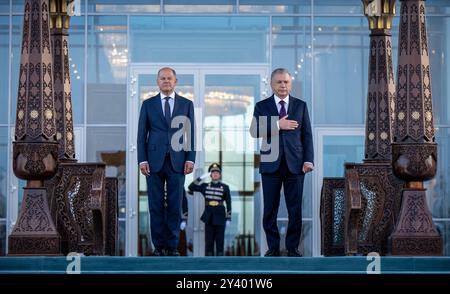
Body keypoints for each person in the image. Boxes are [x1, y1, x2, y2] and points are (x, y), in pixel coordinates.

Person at [250, 68, 314, 257]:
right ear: (271, 84)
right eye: (279, 82)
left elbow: (307, 135)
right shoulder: (262, 106)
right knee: (270, 208)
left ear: (290, 84)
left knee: (295, 208)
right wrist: (279, 125)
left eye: (286, 82)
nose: (283, 85)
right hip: (271, 165)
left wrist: (308, 160)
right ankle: (273, 247)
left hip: (296, 165)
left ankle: (293, 247)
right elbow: (254, 131)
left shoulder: (300, 106)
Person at [137, 67, 195, 256]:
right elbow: (141, 135)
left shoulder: (186, 104)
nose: (166, 81)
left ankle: (172, 246)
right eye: (162, 78)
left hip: (178, 162)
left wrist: (191, 158)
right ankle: (158, 246)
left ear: (175, 81)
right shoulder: (148, 104)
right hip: (153, 162)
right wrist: (142, 160)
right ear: (157, 82)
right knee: (155, 205)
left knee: (174, 206)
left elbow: (190, 133)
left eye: (169, 78)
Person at [188, 163, 231, 256]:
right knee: (209, 243)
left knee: (220, 243)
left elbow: (229, 203)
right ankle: (209, 267)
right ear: (210, 175)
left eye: (217, 172)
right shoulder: (205, 186)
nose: (215, 174)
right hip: (209, 217)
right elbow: (191, 187)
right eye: (213, 172)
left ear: (220, 174)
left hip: (220, 217)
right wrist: (200, 178)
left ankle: (220, 266)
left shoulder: (225, 187)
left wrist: (228, 217)